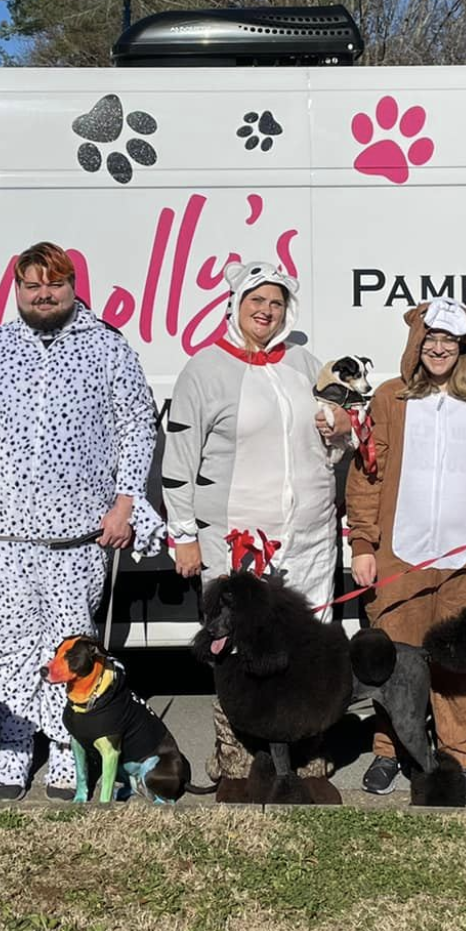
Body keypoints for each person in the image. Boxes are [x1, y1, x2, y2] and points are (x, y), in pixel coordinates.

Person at [0, 241, 164, 798]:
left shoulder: (109, 349)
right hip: (0, 534)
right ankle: (15, 746)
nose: (44, 294)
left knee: (72, 647)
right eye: (32, 284)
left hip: (77, 535)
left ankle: (73, 749)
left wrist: (125, 503)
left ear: (73, 287)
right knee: (8, 645)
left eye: (56, 284)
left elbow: (138, 429)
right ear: (17, 289)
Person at [161, 260, 351, 784]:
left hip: (309, 536)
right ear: (236, 305)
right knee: (237, 644)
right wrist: (183, 536)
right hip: (239, 540)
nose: (266, 312)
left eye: (275, 303)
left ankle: (306, 749)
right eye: (256, 302)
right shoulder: (204, 370)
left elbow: (334, 448)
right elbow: (178, 463)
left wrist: (339, 429)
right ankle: (238, 753)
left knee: (308, 640)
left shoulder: (305, 362)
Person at [344, 298, 466, 805]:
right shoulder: (389, 399)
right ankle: (388, 750)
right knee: (391, 661)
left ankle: (459, 758)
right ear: (415, 345)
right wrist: (363, 543)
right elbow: (365, 477)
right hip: (399, 559)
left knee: (459, 666)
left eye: (450, 341)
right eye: (430, 340)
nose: (440, 349)